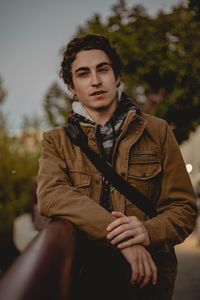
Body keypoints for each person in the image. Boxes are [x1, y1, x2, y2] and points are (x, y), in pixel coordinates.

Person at [37, 34, 197, 300]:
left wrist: (147, 231)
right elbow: (51, 196)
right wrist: (123, 239)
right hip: (87, 283)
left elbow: (184, 209)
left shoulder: (158, 131)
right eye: (83, 73)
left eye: (103, 69)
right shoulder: (56, 141)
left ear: (117, 76)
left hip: (148, 283)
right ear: (71, 86)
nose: (96, 80)